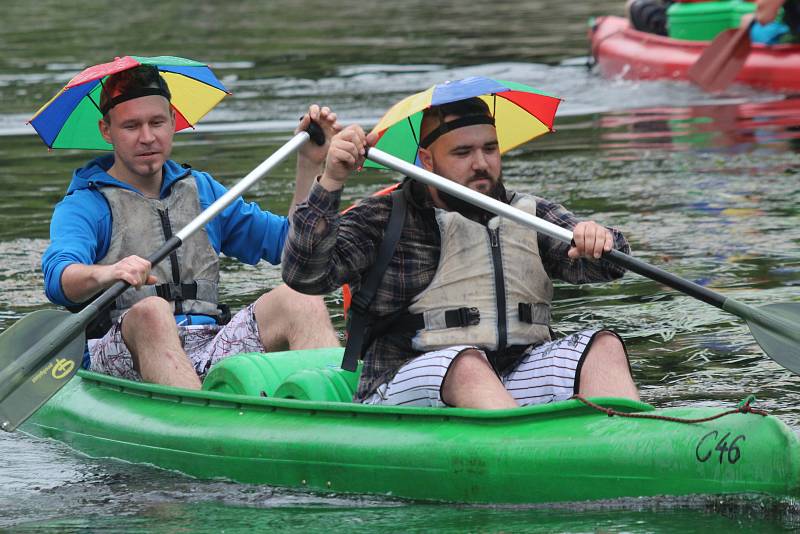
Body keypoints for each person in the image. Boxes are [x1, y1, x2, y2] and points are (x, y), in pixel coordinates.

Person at [282, 97, 640, 410]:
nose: (480, 163)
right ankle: (526, 457)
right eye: (463, 153)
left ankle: (633, 444)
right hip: (405, 379)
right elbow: (304, 275)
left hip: (511, 374)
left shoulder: (528, 213)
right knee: (467, 364)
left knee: (603, 346)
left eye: (489, 148)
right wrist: (330, 182)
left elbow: (606, 268)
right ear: (427, 159)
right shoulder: (383, 218)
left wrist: (600, 240)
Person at [41, 65, 340, 390]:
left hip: (210, 342)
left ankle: (335, 406)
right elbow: (59, 279)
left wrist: (310, 164)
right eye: (131, 126)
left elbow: (291, 248)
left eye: (156, 122)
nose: (147, 137)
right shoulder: (86, 204)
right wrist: (108, 272)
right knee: (152, 311)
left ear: (172, 120)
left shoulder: (203, 190)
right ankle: (201, 423)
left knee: (300, 298)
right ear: (106, 130)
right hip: (123, 351)